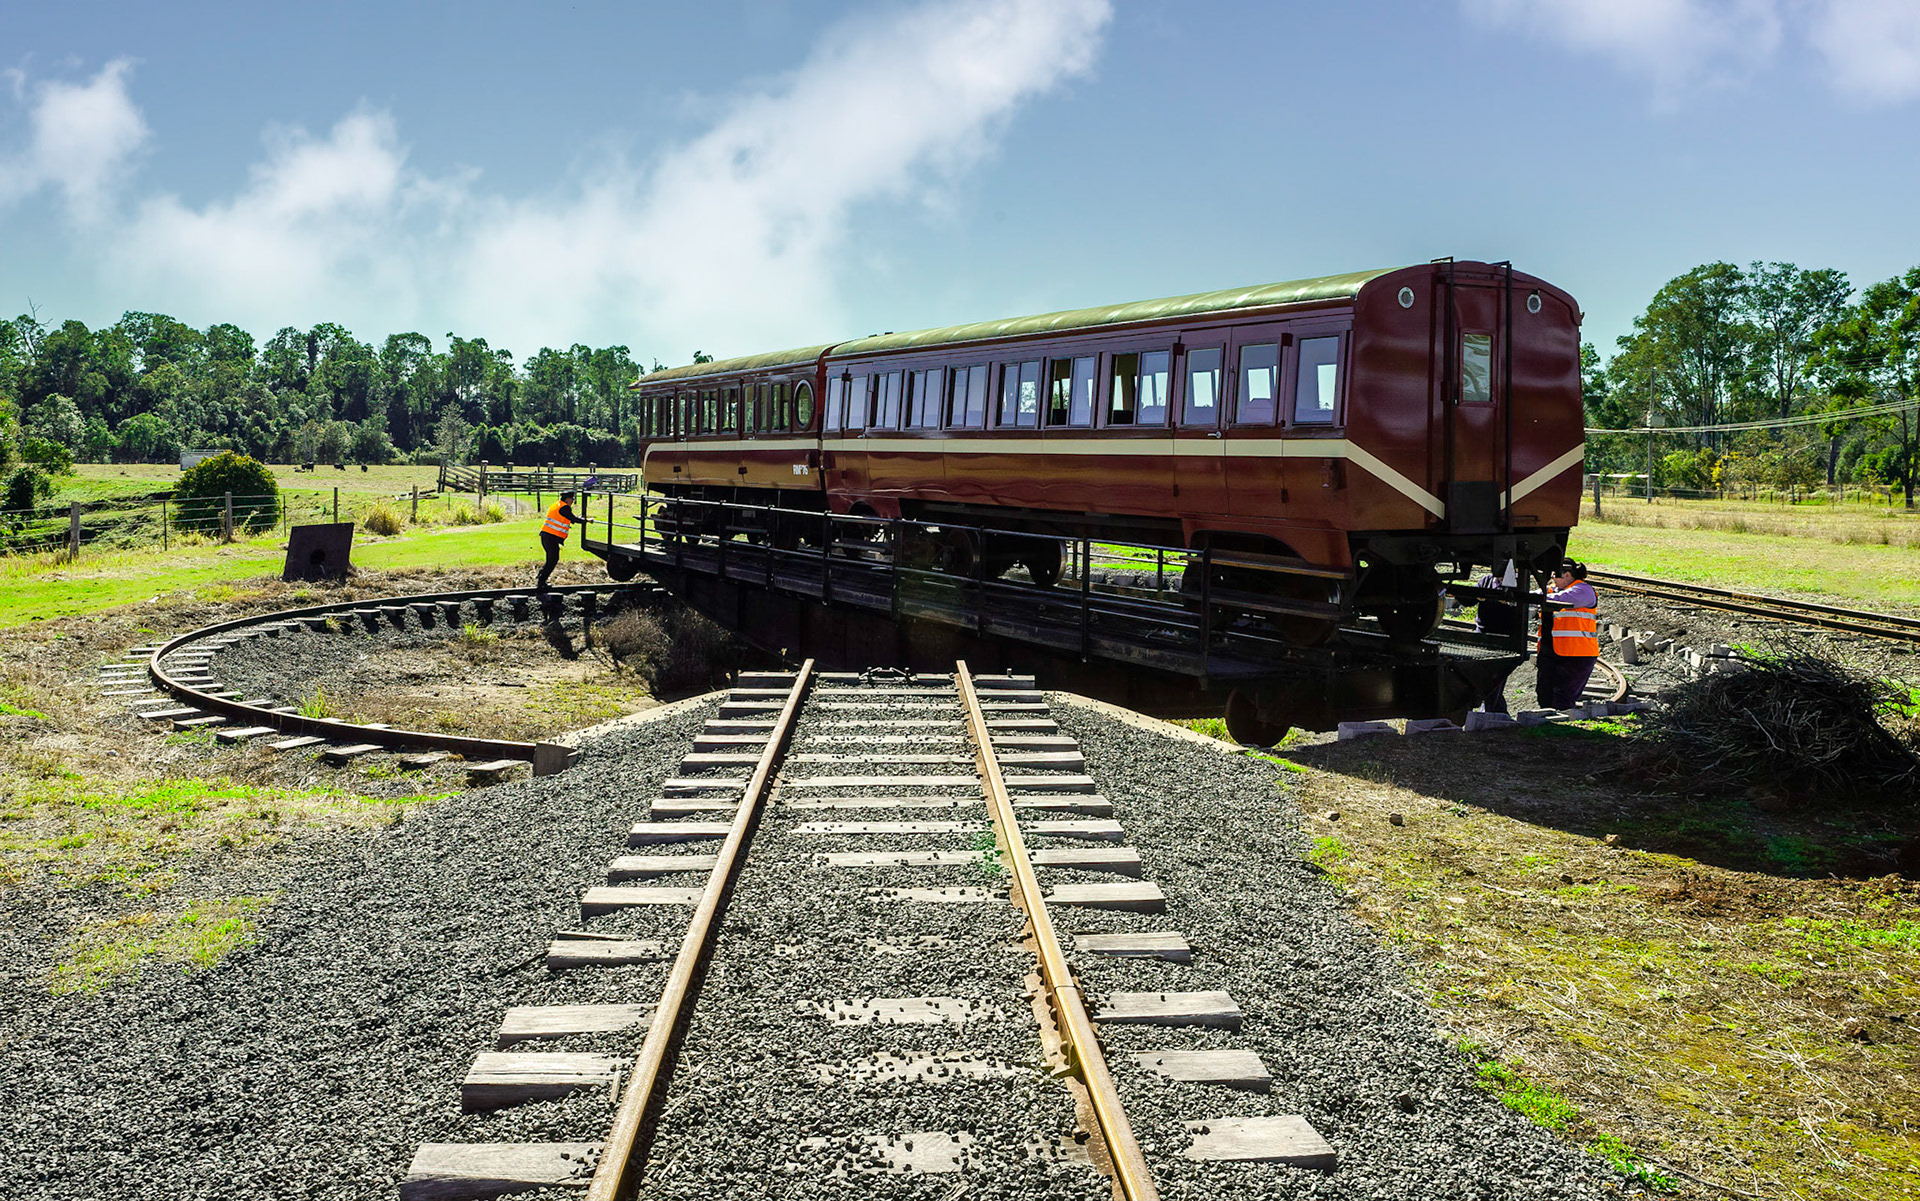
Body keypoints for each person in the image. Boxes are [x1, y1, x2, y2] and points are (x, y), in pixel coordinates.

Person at [1536, 559, 1599, 709]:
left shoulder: (1583, 590)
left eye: (1555, 575)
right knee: (1544, 695)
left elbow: (1560, 599)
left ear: (1567, 575)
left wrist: (1534, 598)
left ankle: (1562, 729)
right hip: (1551, 652)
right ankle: (1548, 727)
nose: (1552, 579)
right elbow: (1536, 596)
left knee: (1563, 698)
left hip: (1577, 655)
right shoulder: (1552, 590)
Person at [1473, 566, 1521, 713]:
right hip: (1483, 634)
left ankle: (1492, 711)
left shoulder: (1518, 583)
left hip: (1504, 637)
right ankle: (1496, 711)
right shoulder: (1486, 580)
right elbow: (1469, 600)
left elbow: (1521, 603)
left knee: (1495, 678)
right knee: (1486, 678)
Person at [536, 490, 584, 593]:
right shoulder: (565, 507)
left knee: (551, 559)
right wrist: (585, 521)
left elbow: (568, 518)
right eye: (572, 499)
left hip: (546, 536)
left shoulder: (556, 505)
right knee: (553, 559)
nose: (572, 502)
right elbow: (572, 518)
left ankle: (541, 577)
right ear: (567, 499)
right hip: (551, 538)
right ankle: (541, 582)